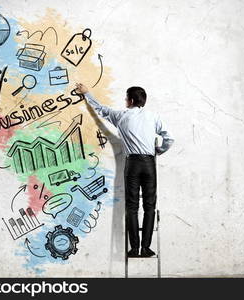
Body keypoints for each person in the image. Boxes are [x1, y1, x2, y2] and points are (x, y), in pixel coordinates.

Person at [74, 84, 174, 257]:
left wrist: (87, 93)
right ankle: (146, 248)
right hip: (149, 163)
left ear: (131, 100)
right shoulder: (153, 117)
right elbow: (170, 138)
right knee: (150, 206)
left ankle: (134, 248)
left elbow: (100, 109)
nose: (125, 101)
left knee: (132, 207)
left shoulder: (121, 116)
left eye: (126, 98)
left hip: (133, 164)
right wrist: (159, 150)